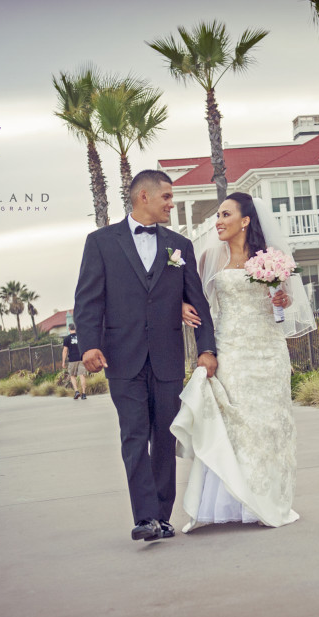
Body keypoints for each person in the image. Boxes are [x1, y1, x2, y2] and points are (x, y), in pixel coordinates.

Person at [74, 169, 218, 543]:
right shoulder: (101, 242)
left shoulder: (179, 246)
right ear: (144, 197)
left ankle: (162, 514)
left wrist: (206, 349)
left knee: (163, 437)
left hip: (168, 356)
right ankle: (145, 518)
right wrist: (88, 345)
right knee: (134, 435)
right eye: (167, 197)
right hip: (122, 358)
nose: (172, 204)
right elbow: (88, 301)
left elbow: (195, 300)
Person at [172, 193, 316, 533]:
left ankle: (266, 500)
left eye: (225, 214)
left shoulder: (270, 259)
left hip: (267, 350)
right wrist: (180, 306)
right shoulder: (209, 257)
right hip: (230, 349)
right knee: (235, 424)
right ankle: (228, 502)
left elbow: (285, 298)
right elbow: (193, 295)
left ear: (245, 220)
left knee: (269, 426)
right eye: (217, 216)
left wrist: (283, 296)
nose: (218, 221)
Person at [62, 323, 88, 400]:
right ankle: (84, 394)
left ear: (69, 329)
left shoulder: (66, 339)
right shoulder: (80, 337)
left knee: (72, 376)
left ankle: (76, 391)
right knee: (82, 375)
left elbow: (65, 351)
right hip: (81, 358)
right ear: (75, 329)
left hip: (72, 359)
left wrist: (63, 361)